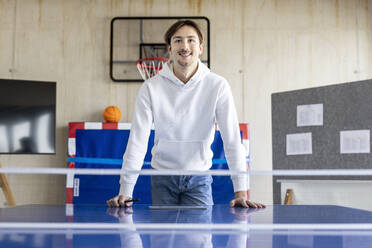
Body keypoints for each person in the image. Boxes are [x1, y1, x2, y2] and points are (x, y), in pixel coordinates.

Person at [107, 20, 265, 209]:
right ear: (170, 48)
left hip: (199, 178)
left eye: (191, 40)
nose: (184, 46)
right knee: (163, 239)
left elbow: (232, 139)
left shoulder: (218, 85)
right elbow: (137, 141)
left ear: (200, 47)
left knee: (200, 238)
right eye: (178, 40)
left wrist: (241, 191)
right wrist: (126, 190)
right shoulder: (150, 88)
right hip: (162, 178)